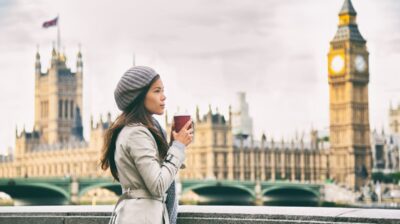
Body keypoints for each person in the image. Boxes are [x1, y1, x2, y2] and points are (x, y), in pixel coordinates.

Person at [100, 66, 193, 224]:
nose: (163, 97)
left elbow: (152, 174)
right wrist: (178, 147)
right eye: (157, 91)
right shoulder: (137, 133)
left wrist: (171, 146)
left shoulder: (138, 130)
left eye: (163, 90)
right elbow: (157, 186)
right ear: (139, 96)